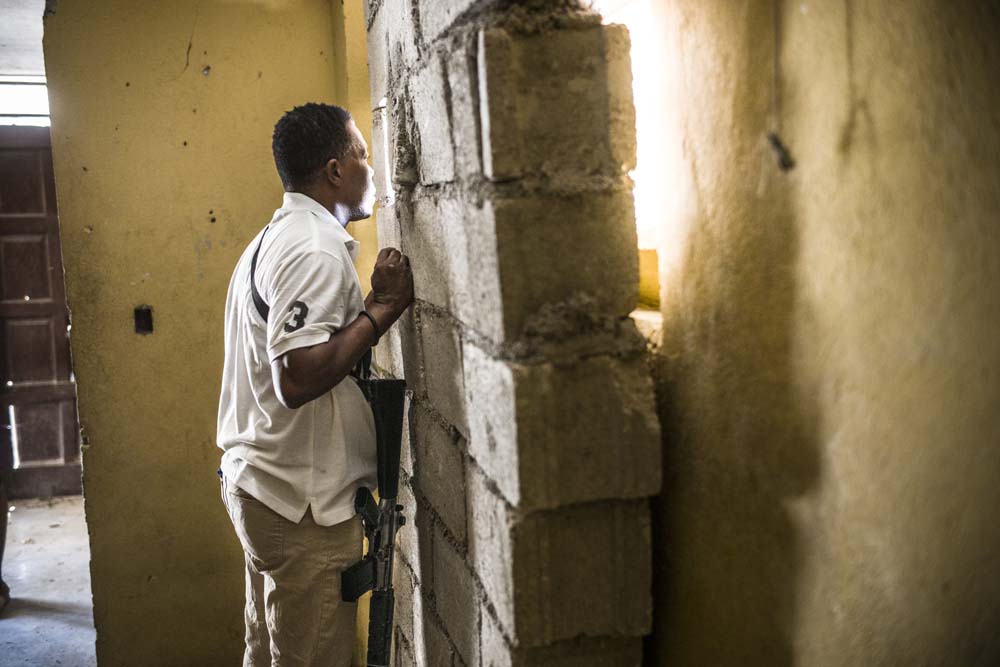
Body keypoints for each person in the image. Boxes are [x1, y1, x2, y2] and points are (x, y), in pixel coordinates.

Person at [216, 102, 413, 667]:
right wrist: (380, 311)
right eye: (363, 156)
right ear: (334, 171)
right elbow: (296, 378)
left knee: (272, 652)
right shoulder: (313, 249)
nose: (371, 170)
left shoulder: (277, 237)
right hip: (299, 508)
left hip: (264, 488)